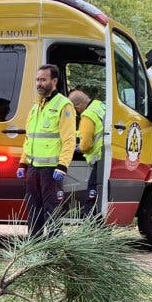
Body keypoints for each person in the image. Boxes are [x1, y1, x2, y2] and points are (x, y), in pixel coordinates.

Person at [16, 65, 75, 238]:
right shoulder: (36, 106)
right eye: (37, 80)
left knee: (52, 211)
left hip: (51, 169)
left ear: (54, 81)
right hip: (34, 168)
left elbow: (69, 139)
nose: (39, 84)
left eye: (43, 80)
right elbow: (30, 138)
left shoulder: (63, 105)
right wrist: (23, 162)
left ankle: (54, 250)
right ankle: (34, 247)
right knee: (33, 210)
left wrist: (62, 165)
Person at [68, 89, 106, 218]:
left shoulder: (87, 115)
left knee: (92, 192)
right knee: (101, 193)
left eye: (75, 109)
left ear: (78, 106)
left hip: (99, 157)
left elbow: (85, 145)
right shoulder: (99, 105)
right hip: (106, 156)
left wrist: (76, 148)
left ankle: (90, 223)